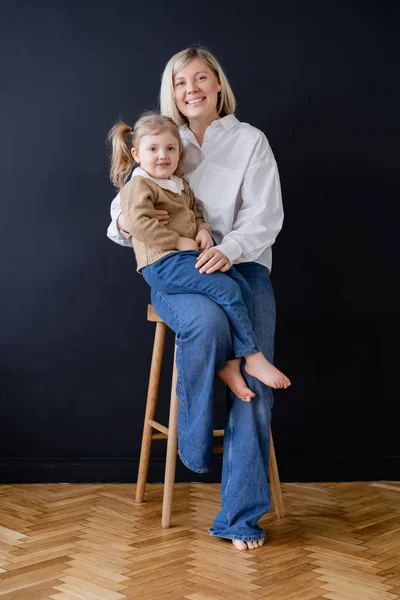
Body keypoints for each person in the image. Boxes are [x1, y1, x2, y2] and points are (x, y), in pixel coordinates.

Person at [107, 46, 286, 551]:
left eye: (202, 79)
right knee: (206, 322)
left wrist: (225, 251)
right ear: (173, 91)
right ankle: (193, 437)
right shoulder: (160, 138)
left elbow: (265, 218)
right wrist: (131, 223)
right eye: (182, 82)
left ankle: (240, 516)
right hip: (177, 271)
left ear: (218, 86)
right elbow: (120, 218)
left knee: (255, 379)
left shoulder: (250, 141)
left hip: (241, 264)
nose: (193, 89)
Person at [108, 111, 290, 398]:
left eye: (170, 149)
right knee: (224, 296)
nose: (163, 155)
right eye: (153, 149)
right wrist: (176, 240)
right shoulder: (141, 181)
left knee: (240, 287)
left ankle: (231, 364)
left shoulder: (181, 180)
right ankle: (252, 358)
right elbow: (133, 220)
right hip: (167, 262)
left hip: (216, 256)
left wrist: (204, 230)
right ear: (137, 153)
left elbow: (196, 213)